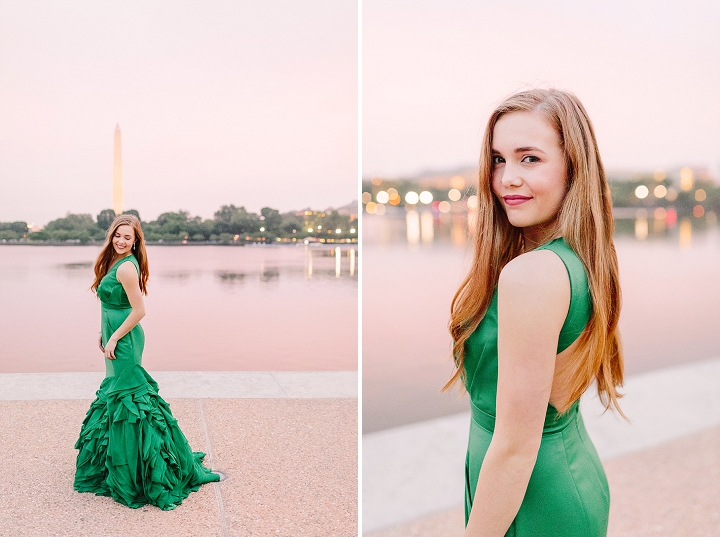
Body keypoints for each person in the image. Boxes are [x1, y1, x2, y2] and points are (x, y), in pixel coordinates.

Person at [444, 88, 625, 537]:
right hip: (562, 474)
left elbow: (513, 448)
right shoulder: (577, 260)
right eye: (499, 159)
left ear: (573, 168)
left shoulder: (533, 275)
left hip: (530, 498)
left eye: (529, 159)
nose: (507, 178)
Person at [74, 214, 220, 510]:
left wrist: (114, 338)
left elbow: (139, 310)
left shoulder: (127, 267)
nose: (121, 241)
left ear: (136, 241)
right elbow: (112, 306)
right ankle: (118, 465)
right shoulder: (113, 262)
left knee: (133, 401)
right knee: (117, 399)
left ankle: (150, 470)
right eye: (118, 235)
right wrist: (104, 333)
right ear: (111, 235)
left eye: (128, 237)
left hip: (125, 340)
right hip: (115, 334)